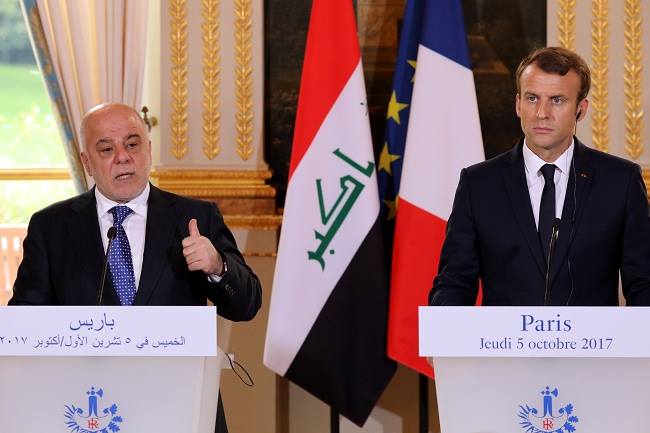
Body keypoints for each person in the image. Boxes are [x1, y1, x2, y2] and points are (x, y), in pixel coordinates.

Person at [9, 102, 262, 433]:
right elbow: (25, 325)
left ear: (149, 150)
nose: (123, 157)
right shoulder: (51, 227)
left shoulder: (195, 217)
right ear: (86, 162)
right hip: (90, 410)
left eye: (132, 144)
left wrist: (217, 266)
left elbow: (247, 304)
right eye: (106, 149)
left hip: (179, 407)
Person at [429, 47, 650, 306]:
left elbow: (644, 284)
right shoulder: (478, 184)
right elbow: (454, 283)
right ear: (518, 104)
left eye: (557, 100)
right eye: (532, 98)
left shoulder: (620, 181)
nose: (541, 112)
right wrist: (443, 322)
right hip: (504, 334)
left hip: (591, 334)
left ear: (580, 109)